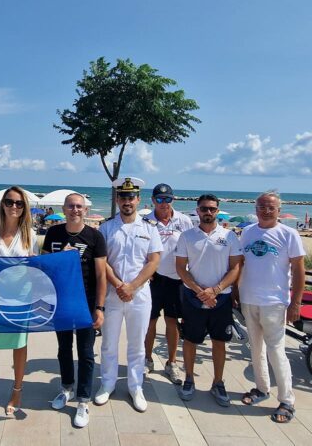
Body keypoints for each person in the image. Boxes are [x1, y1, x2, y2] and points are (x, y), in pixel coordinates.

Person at [234, 190, 305, 424]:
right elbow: (240, 263)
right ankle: (262, 389)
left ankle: (287, 400)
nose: (266, 210)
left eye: (270, 207)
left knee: (276, 351)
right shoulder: (247, 232)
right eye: (262, 206)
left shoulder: (289, 234)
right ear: (255, 209)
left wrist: (295, 302)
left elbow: (298, 269)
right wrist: (235, 291)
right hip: (249, 299)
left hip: (274, 302)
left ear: (278, 210)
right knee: (255, 348)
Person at [94, 177, 162, 413]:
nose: (127, 201)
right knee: (109, 343)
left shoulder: (149, 229)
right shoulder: (106, 228)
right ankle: (107, 384)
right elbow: (102, 262)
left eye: (131, 197)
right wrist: (120, 285)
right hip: (112, 294)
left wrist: (132, 286)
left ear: (138, 199)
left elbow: (153, 261)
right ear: (117, 199)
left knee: (137, 345)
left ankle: (136, 386)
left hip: (140, 295)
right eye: (122, 196)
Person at [43, 192, 108, 428]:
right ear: (64, 208)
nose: (75, 210)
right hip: (61, 301)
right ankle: (66, 388)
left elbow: (101, 275)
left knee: (86, 352)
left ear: (85, 210)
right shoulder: (53, 233)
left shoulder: (95, 236)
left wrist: (99, 308)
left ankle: (83, 400)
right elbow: (46, 268)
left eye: (79, 206)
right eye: (71, 206)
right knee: (63, 349)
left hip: (86, 301)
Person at [0, 186, 39, 418]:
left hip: (22, 299)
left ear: (25, 208)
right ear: (2, 204)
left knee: (19, 346)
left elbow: (36, 269)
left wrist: (36, 261)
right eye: (10, 202)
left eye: (19, 203)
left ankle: (17, 392)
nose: (14, 206)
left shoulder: (30, 235)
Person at [174, 194, 241, 407]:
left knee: (219, 341)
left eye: (212, 209)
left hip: (221, 298)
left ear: (217, 210)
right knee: (191, 340)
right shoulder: (187, 236)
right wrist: (200, 291)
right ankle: (189, 378)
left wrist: (216, 290)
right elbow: (180, 268)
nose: (208, 212)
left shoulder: (230, 236)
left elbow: (236, 268)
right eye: (204, 208)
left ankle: (218, 382)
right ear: (197, 210)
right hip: (193, 297)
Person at [142, 183, 193, 384]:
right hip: (153, 279)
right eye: (160, 200)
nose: (164, 204)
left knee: (172, 323)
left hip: (177, 279)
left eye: (168, 199)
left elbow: (191, 247)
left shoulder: (184, 221)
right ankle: (147, 360)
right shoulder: (145, 220)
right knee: (150, 322)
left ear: (173, 199)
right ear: (153, 200)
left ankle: (171, 363)